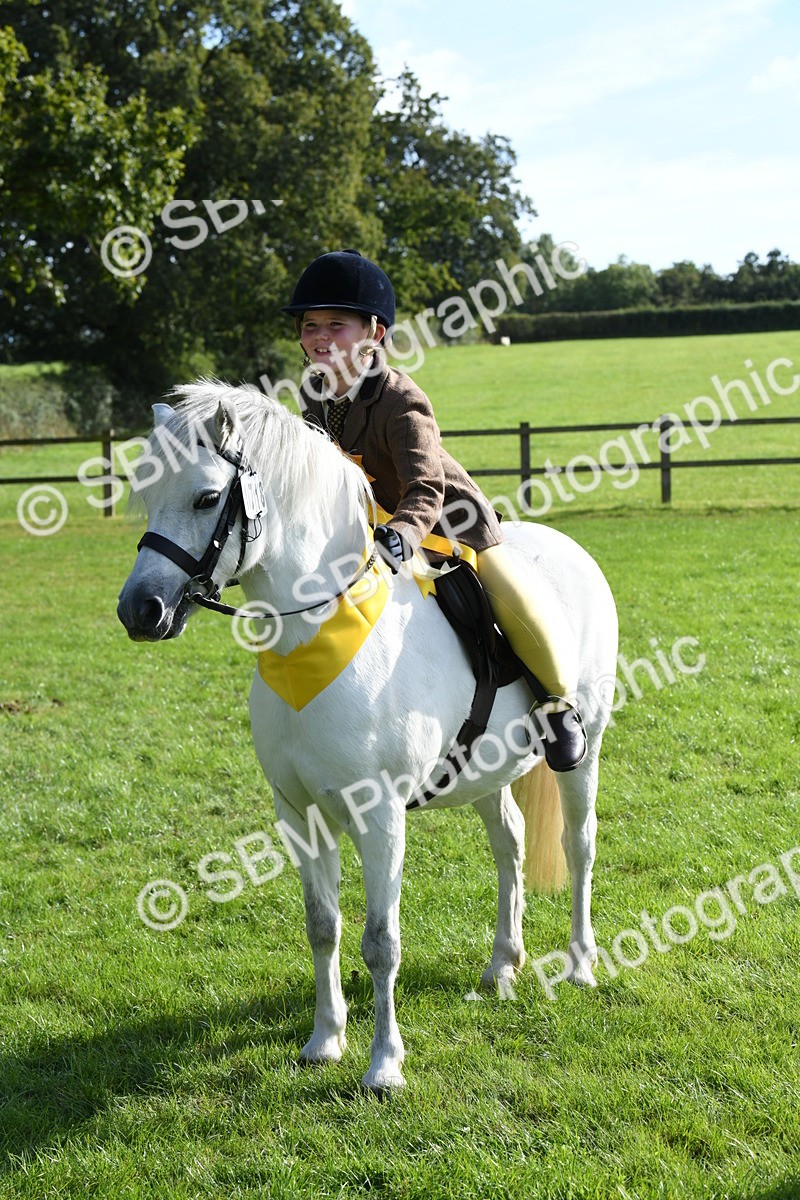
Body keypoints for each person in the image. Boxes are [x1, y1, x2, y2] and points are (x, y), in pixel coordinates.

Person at [282, 249, 586, 771]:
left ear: (375, 333)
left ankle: (559, 704)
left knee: (509, 593)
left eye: (337, 324)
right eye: (311, 326)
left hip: (448, 527)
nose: (320, 337)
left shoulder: (402, 399)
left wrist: (400, 536)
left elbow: (426, 486)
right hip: (366, 531)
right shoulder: (314, 398)